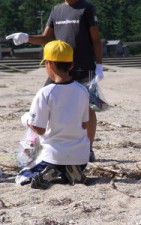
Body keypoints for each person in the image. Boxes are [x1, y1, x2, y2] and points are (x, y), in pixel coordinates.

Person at [6, 0, 102, 162]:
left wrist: (99, 64)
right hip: (57, 66)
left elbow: (96, 39)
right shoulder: (56, 10)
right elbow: (46, 38)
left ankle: (88, 148)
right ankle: (33, 148)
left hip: (84, 65)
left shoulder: (86, 8)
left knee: (89, 107)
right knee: (43, 104)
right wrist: (27, 37)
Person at [17, 40, 90, 189]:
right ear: (71, 64)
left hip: (53, 156)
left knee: (22, 176)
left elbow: (40, 129)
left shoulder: (46, 92)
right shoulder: (82, 90)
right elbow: (84, 124)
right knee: (66, 166)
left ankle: (54, 170)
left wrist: (26, 120)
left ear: (49, 64)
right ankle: (72, 170)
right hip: (81, 157)